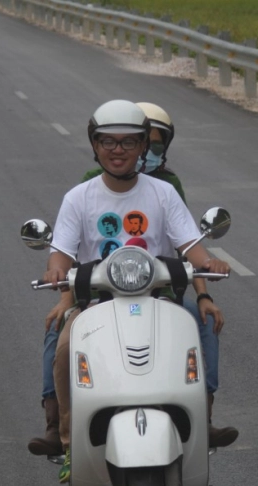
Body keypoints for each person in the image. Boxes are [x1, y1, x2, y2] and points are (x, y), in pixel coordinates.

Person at [27, 101, 238, 462]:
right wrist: (56, 270)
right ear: (94, 146)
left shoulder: (164, 193)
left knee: (195, 335)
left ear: (143, 146)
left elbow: (191, 246)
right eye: (108, 142)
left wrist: (209, 262)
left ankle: (199, 421)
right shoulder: (79, 197)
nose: (117, 151)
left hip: (160, 299)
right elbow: (61, 251)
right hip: (95, 303)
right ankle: (67, 443)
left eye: (128, 142)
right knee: (64, 348)